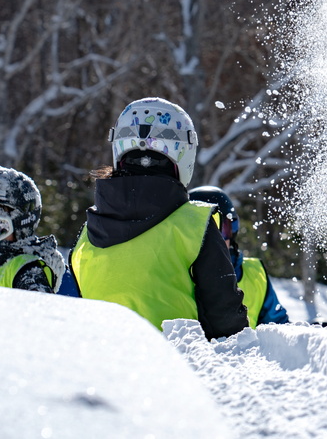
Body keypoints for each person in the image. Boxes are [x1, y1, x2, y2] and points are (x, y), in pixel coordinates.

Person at [69, 97, 248, 339]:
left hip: (101, 363)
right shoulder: (195, 224)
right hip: (173, 367)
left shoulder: (88, 232)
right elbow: (226, 320)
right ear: (184, 153)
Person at [189, 185, 289, 327]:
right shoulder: (177, 274)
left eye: (222, 230)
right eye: (203, 233)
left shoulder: (254, 274)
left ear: (233, 232)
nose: (214, 241)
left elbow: (279, 328)